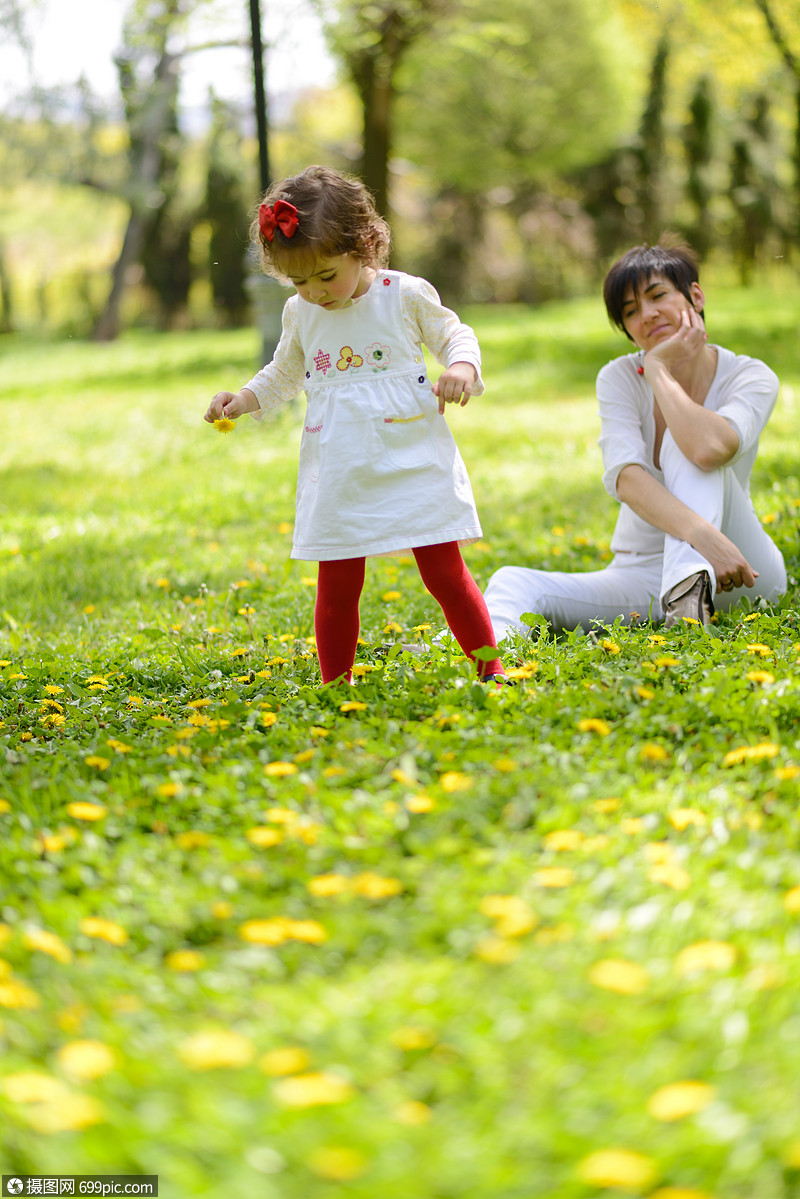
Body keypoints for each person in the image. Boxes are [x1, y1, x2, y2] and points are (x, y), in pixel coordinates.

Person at [204, 165, 504, 685]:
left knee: (444, 572)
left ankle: (490, 671)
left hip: (410, 453)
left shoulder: (402, 295)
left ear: (363, 246)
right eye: (299, 281)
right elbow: (283, 373)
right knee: (338, 581)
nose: (315, 292)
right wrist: (243, 400)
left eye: (326, 276)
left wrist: (461, 368)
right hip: (340, 462)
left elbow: (456, 335)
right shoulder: (301, 313)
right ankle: (334, 684)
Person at [484, 235, 786, 640]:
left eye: (657, 295)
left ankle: (688, 586)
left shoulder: (750, 375)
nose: (647, 315)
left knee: (685, 439)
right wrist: (700, 534)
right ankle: (477, 654)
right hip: (645, 571)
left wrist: (660, 372)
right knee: (513, 581)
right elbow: (626, 477)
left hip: (739, 566)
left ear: (695, 296)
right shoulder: (619, 377)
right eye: (630, 311)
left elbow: (710, 448)